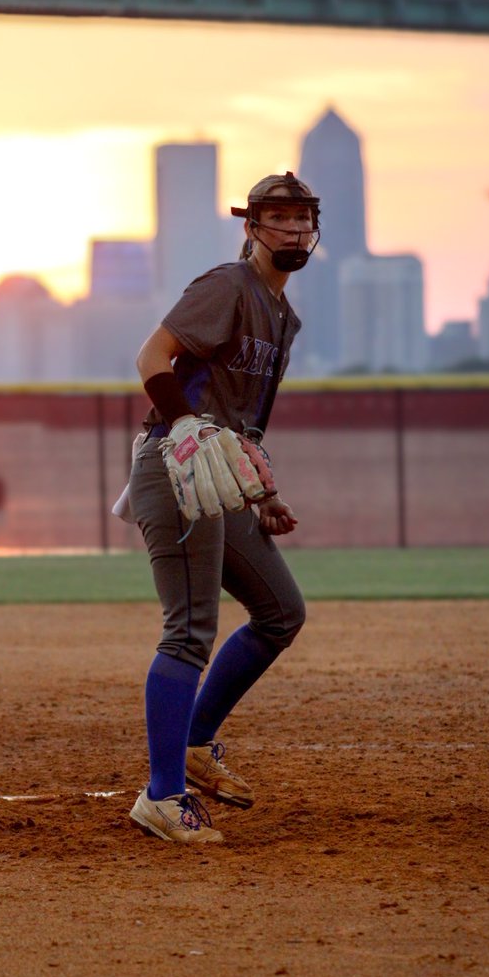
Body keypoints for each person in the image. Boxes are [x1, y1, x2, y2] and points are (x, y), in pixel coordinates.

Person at [125, 170, 321, 844]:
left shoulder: (281, 314)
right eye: (279, 218)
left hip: (218, 475)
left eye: (303, 218)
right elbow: (153, 356)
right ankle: (162, 796)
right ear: (252, 227)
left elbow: (238, 416)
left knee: (280, 612)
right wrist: (181, 425)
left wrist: (261, 489)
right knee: (189, 632)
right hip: (177, 467)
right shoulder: (228, 285)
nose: (293, 229)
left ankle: (196, 742)